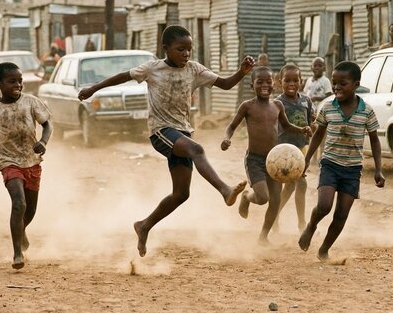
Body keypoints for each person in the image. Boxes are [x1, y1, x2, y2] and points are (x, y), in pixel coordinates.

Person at [78, 25, 253, 257]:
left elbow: (225, 83)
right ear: (166, 48)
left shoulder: (194, 70)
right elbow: (123, 76)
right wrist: (94, 89)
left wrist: (242, 72)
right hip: (161, 131)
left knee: (181, 194)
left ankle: (144, 225)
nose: (186, 54)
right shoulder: (152, 69)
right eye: (180, 49)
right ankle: (224, 190)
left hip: (182, 133)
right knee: (197, 150)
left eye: (189, 50)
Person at [0, 62, 52, 270]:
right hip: (8, 161)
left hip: (31, 160)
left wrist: (43, 141)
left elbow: (47, 124)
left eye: (20, 81)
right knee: (19, 203)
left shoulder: (31, 102)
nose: (18, 85)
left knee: (30, 209)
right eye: (12, 81)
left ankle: (21, 231)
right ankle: (17, 253)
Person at [298, 61, 385, 261]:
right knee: (324, 206)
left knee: (341, 215)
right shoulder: (327, 107)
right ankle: (311, 226)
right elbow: (318, 134)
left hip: (352, 169)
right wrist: (307, 159)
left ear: (355, 85)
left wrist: (378, 170)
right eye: (334, 82)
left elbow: (374, 140)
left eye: (342, 83)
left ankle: (324, 249)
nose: (336, 87)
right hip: (330, 164)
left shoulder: (366, 110)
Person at [221, 66, 311, 243]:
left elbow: (285, 126)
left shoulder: (277, 106)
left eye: (268, 82)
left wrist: (302, 130)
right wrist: (227, 138)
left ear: (274, 84)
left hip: (273, 160)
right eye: (259, 82)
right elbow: (231, 126)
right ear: (251, 85)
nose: (265, 85)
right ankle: (247, 197)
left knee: (275, 201)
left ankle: (263, 237)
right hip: (254, 159)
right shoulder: (247, 106)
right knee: (262, 198)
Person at [273, 64, 314, 233]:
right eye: (287, 80)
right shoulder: (277, 103)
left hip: (301, 147)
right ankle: (281, 218)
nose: (292, 83)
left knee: (299, 184)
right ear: (279, 82)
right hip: (283, 150)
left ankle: (299, 223)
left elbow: (310, 121)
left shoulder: (306, 100)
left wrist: (313, 127)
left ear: (301, 81)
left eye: (295, 80)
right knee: (290, 185)